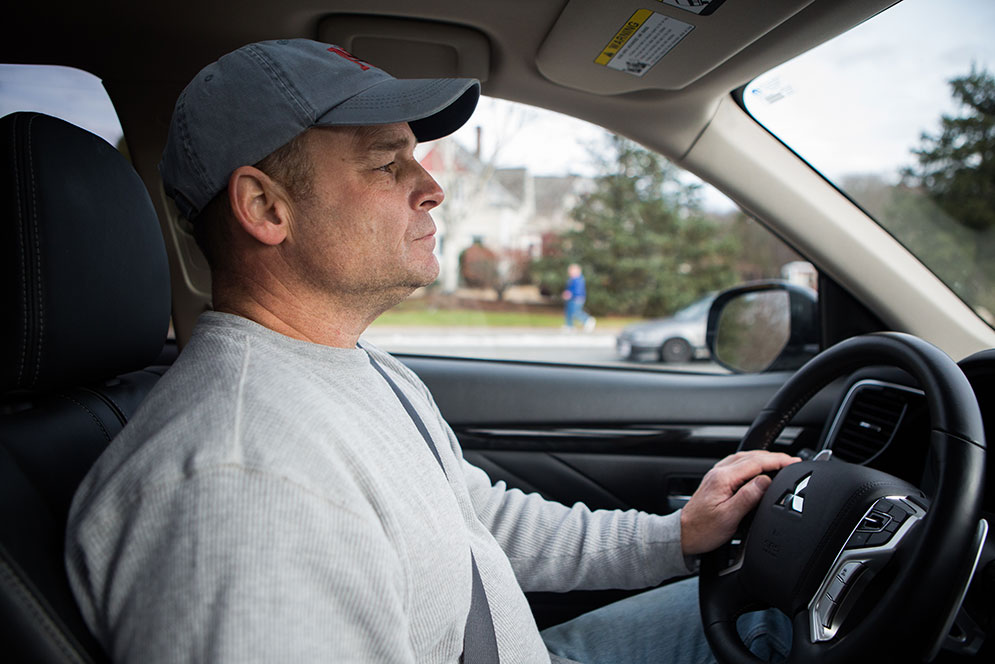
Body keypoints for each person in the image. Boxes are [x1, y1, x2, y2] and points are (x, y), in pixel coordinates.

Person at [65, 39, 795, 663]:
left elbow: (475, 523)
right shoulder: (238, 486)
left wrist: (673, 537)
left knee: (770, 612)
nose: (431, 187)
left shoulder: (358, 366)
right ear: (264, 208)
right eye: (386, 164)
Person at [562, 263, 596, 331]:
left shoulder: (578, 280)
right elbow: (569, 289)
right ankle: (569, 325)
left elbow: (578, 290)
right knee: (569, 312)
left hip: (577, 298)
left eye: (572, 271)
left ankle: (587, 320)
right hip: (572, 298)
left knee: (576, 312)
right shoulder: (572, 279)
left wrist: (570, 294)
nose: (571, 273)